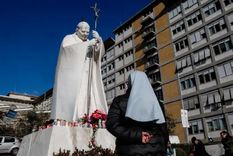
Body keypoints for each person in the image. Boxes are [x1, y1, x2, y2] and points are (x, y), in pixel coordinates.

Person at [50, 21, 108, 121]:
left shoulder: (89, 41)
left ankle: (90, 116)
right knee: (79, 96)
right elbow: (67, 50)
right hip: (75, 75)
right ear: (77, 30)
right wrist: (87, 46)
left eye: (87, 32)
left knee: (89, 94)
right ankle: (78, 116)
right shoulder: (69, 38)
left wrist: (98, 40)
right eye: (83, 31)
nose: (85, 34)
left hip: (88, 74)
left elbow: (98, 55)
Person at [106, 70, 169, 156]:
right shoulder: (157, 103)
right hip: (158, 149)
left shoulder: (119, 101)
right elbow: (163, 129)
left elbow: (112, 125)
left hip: (130, 150)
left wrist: (137, 136)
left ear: (130, 83)